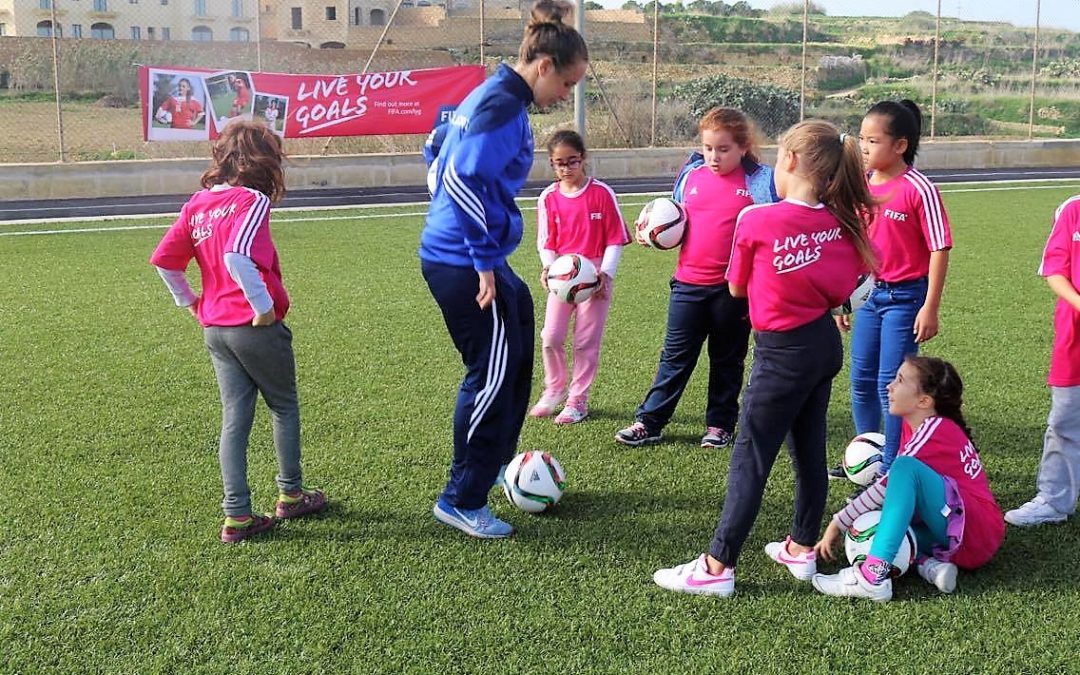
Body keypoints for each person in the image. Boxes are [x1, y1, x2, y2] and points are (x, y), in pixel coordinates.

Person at [652, 120, 875, 598]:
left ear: (790, 161)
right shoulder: (841, 224)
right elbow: (842, 291)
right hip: (822, 348)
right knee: (809, 451)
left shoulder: (756, 219)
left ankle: (717, 565)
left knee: (751, 458)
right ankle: (801, 547)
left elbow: (735, 287)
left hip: (782, 355)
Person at [418, 0, 588, 539]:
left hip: (470, 253)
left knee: (516, 348)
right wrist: (483, 257)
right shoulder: (499, 104)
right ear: (544, 67)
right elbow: (461, 180)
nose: (566, 95)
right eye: (567, 83)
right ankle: (460, 497)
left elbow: (435, 147)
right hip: (462, 262)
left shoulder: (492, 94)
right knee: (489, 377)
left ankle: (494, 464)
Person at [150, 119, 327, 543]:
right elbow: (236, 256)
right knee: (283, 407)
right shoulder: (252, 201)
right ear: (263, 159)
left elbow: (164, 261)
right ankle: (292, 495)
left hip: (216, 329)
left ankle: (238, 517)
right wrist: (263, 309)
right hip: (253, 328)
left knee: (235, 419)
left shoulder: (197, 204)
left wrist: (191, 302)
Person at [614, 107, 777, 449]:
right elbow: (673, 219)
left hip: (733, 291)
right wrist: (651, 233)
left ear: (743, 147)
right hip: (687, 285)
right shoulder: (692, 176)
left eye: (723, 149)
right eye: (708, 148)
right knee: (674, 357)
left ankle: (719, 424)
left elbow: (774, 228)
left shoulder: (761, 182)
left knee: (726, 360)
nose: (714, 157)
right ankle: (650, 420)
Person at [812, 356, 1005, 601]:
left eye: (900, 380)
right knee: (873, 524)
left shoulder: (935, 429)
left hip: (974, 535)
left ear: (924, 401)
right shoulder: (914, 424)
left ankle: (872, 578)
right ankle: (929, 566)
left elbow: (889, 483)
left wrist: (838, 523)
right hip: (959, 531)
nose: (889, 386)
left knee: (903, 469)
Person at [833, 99, 953, 481]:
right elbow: (854, 243)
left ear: (900, 145)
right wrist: (845, 298)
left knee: (892, 384)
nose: (864, 148)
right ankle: (864, 458)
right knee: (861, 380)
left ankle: (889, 467)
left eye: (873, 141)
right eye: (862, 140)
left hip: (905, 298)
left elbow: (939, 248)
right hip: (867, 295)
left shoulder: (919, 188)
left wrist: (930, 306)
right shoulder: (861, 185)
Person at [529, 129, 629, 425]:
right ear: (552, 164)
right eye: (560, 163)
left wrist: (605, 275)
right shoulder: (548, 197)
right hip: (561, 277)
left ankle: (577, 400)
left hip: (593, 277)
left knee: (586, 341)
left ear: (583, 159)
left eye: (572, 162)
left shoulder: (601, 193)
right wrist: (549, 267)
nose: (567, 169)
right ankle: (554, 389)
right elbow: (545, 241)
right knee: (551, 336)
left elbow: (615, 238)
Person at [1005, 194, 1080, 527]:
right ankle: (1053, 500)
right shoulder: (1072, 209)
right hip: (1074, 336)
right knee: (1064, 420)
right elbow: (1054, 270)